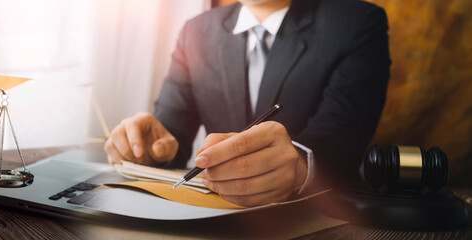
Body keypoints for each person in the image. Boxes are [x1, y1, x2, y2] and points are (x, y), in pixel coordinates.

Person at [105, 0, 390, 207]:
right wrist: (149, 148)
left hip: (317, 216)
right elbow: (171, 132)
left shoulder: (357, 23)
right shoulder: (195, 31)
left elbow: (341, 136)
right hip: (210, 215)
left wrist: (300, 167)